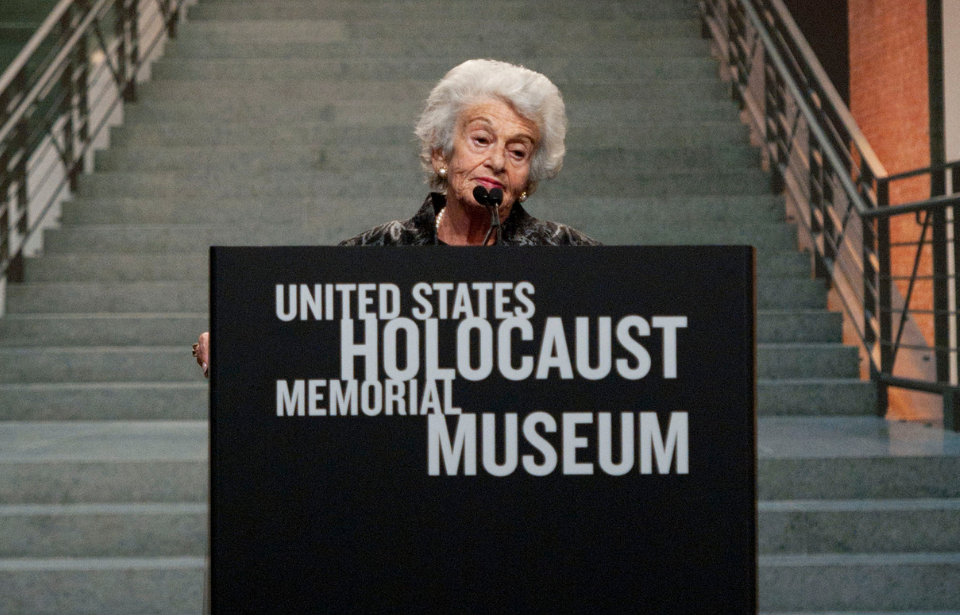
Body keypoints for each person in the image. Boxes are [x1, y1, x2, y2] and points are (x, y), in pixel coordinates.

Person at [193, 59, 597, 374]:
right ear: (441, 153)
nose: (496, 161)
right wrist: (239, 344)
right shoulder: (381, 251)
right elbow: (307, 323)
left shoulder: (567, 255)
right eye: (481, 139)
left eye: (518, 151)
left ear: (528, 177)